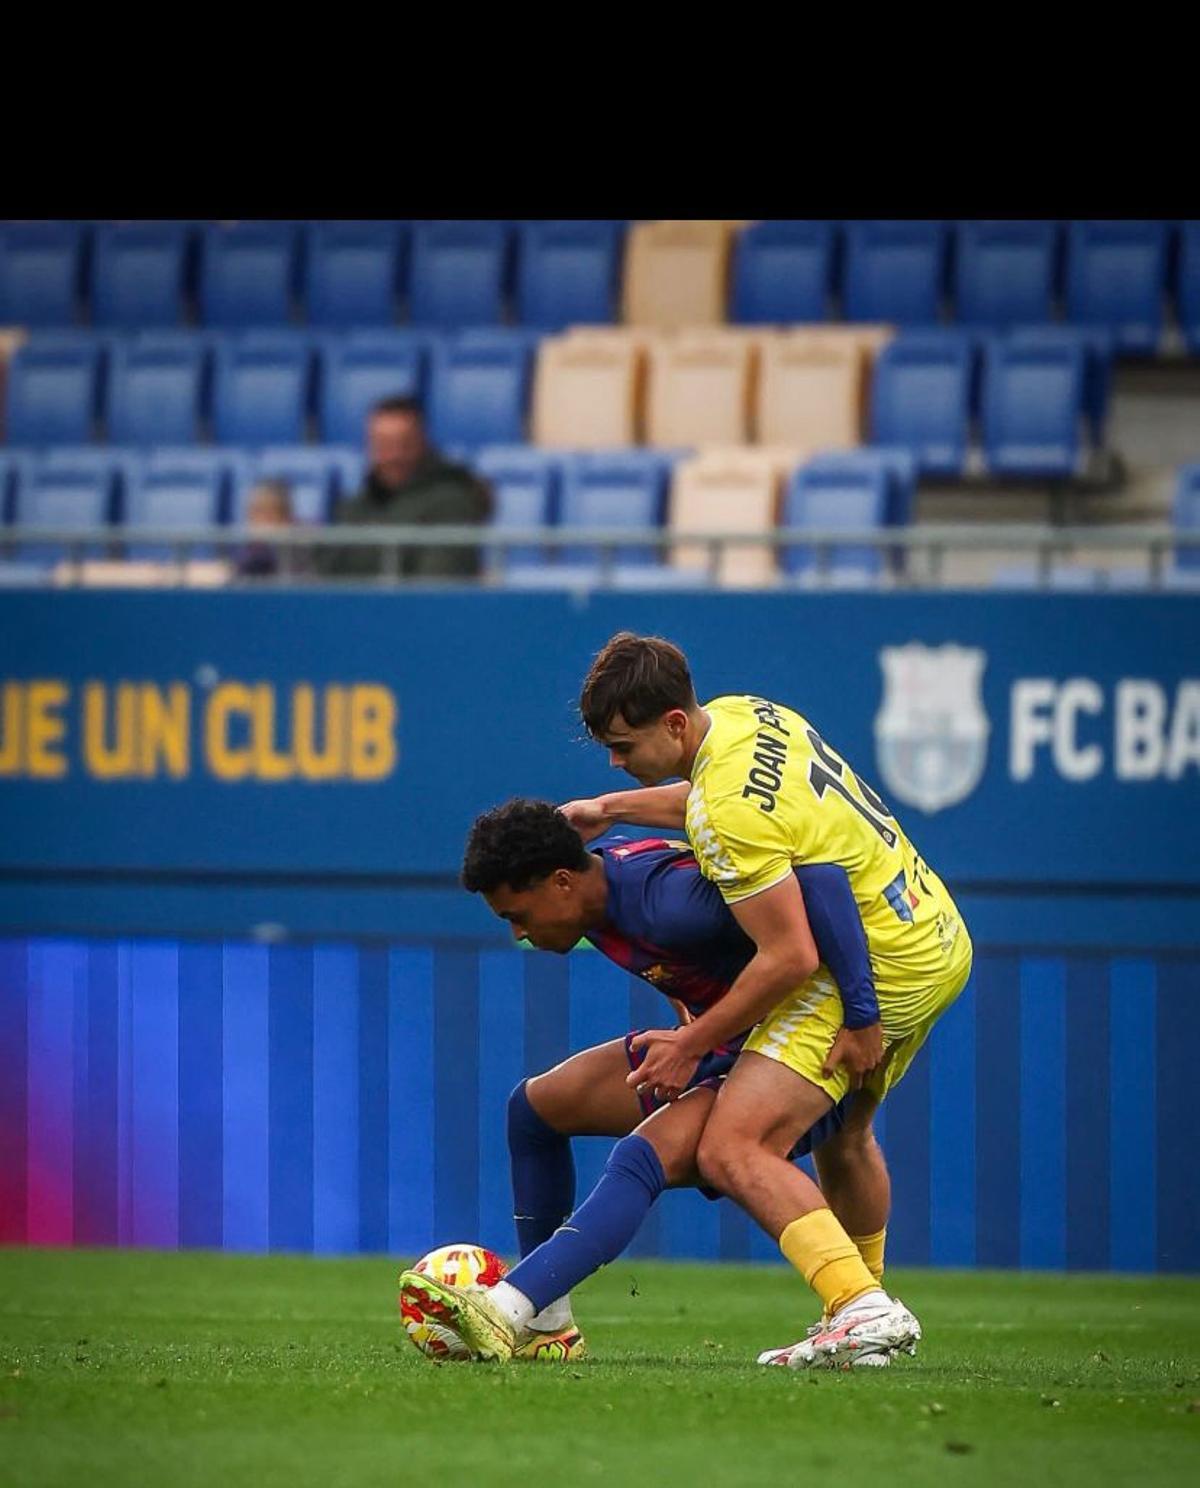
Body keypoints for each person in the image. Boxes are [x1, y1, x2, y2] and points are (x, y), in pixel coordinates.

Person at [550, 632, 974, 1369]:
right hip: (934, 935)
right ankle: (862, 1323)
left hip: (873, 966)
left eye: (623, 745)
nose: (615, 760)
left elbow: (788, 958)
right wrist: (613, 805)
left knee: (732, 1145)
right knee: (846, 1140)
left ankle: (860, 1308)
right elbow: (711, 799)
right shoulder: (746, 715)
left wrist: (691, 1041)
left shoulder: (724, 812)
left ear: (674, 725)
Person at [400, 799, 893, 1367]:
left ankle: (510, 1305)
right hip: (727, 1045)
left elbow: (820, 880)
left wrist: (861, 1014)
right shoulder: (605, 889)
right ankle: (548, 1325)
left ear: (561, 882)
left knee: (643, 1158)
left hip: (801, 1052)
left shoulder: (671, 904)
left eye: (519, 914)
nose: (518, 934)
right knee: (536, 1109)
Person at [323, 396, 490, 579]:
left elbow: (438, 583)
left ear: (422, 442)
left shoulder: (453, 503)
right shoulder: (353, 508)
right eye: (383, 445)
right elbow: (324, 578)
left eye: (404, 444)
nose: (394, 455)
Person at [235, 479, 296, 579]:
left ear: (284, 517)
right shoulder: (246, 551)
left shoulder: (296, 552)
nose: (256, 520)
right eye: (253, 512)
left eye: (265, 512)